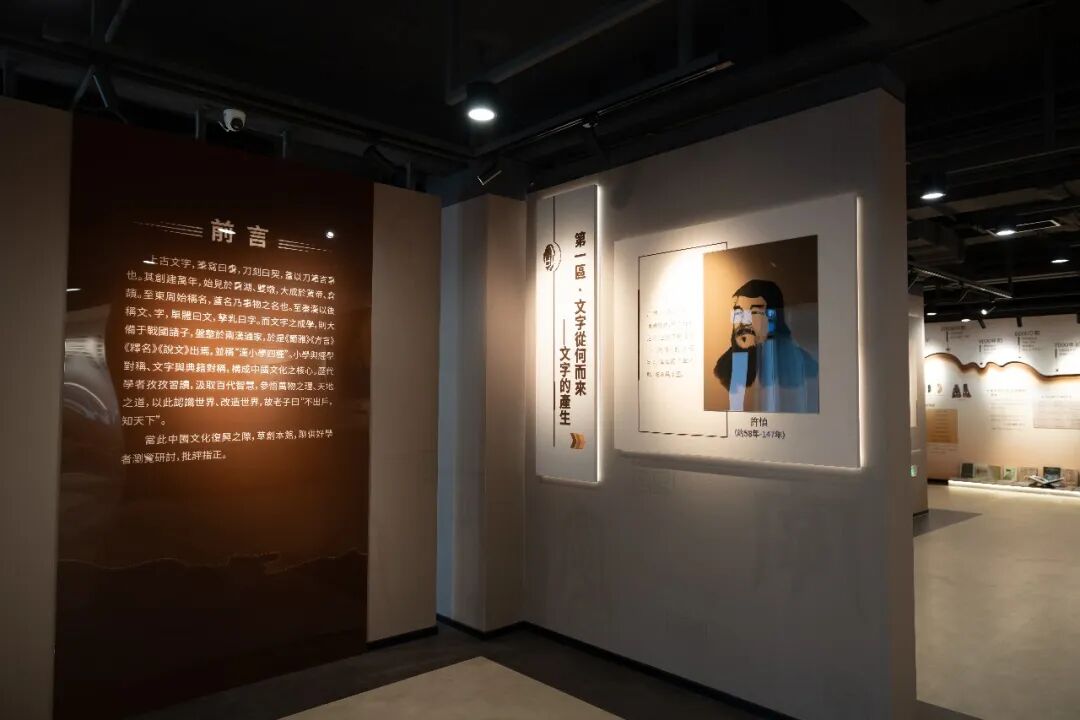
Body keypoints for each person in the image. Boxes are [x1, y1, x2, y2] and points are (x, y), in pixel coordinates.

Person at [713, 279, 819, 413]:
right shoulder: (723, 368)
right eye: (738, 313)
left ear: (772, 317)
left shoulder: (802, 364)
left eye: (754, 312)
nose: (744, 322)